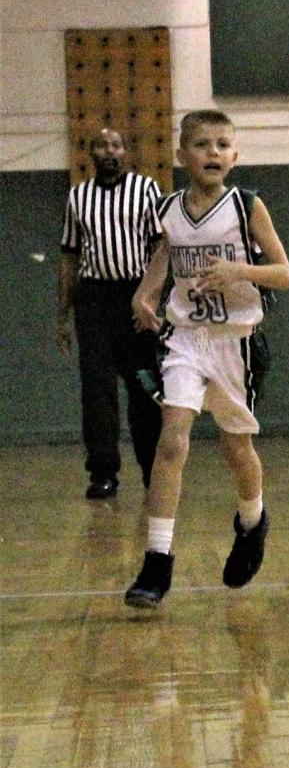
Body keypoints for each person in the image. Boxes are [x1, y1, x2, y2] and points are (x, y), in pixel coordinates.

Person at [122, 110, 289, 609]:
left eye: (222, 144)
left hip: (235, 343)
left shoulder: (247, 206)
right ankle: (157, 562)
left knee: (237, 451)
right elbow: (164, 258)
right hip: (186, 340)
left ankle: (252, 521)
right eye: (202, 144)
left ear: (235, 156)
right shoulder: (171, 209)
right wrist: (144, 296)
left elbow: (284, 273)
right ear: (182, 156)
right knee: (172, 439)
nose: (213, 152)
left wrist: (241, 270)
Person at [58, 128, 164, 499]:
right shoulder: (78, 197)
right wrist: (62, 316)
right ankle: (103, 473)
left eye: (117, 144)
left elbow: (160, 249)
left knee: (145, 387)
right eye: (102, 145)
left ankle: (154, 471)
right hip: (94, 300)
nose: (110, 150)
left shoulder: (146, 190)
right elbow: (69, 257)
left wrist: (152, 301)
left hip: (136, 295)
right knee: (97, 391)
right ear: (91, 153)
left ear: (126, 151)